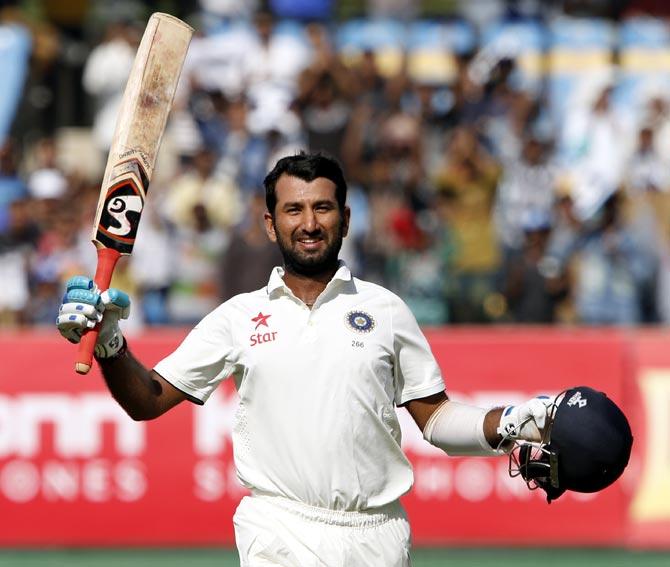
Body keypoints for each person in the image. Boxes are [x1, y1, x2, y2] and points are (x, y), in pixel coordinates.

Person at [57, 152, 551, 566]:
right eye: (294, 210)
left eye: (323, 208)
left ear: (346, 218)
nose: (310, 224)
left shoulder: (385, 310)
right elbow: (148, 400)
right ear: (271, 224)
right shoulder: (238, 316)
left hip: (376, 534)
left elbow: (437, 419)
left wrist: (515, 421)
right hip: (279, 528)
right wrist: (110, 343)